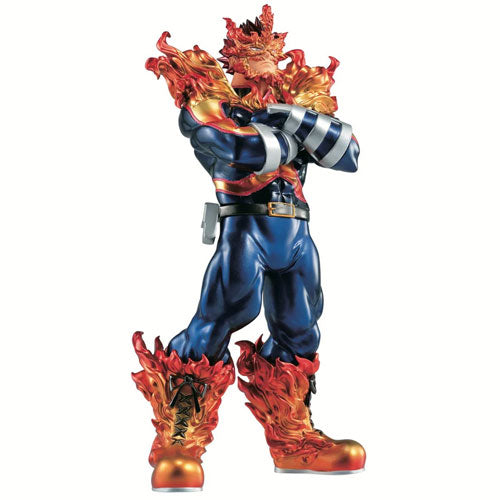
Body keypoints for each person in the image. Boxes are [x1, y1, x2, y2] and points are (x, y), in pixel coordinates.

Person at [132, 5, 366, 492]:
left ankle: (293, 437)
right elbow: (244, 151)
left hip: (296, 232)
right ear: (235, 60)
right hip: (246, 228)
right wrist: (303, 130)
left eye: (269, 53)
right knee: (224, 314)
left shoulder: (291, 101)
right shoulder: (206, 104)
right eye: (252, 55)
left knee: (301, 326)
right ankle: (180, 435)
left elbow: (349, 155)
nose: (264, 63)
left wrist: (293, 116)